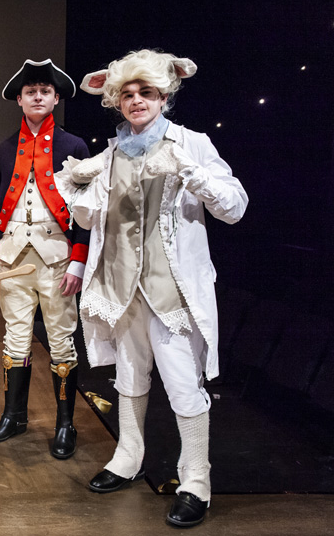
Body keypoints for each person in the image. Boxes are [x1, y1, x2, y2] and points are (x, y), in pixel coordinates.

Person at [60, 49, 248, 527]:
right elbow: (89, 220)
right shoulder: (112, 153)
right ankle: (128, 456)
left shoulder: (192, 142)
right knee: (129, 379)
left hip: (172, 292)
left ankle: (196, 479)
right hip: (122, 290)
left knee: (185, 388)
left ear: (164, 95)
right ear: (116, 101)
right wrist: (80, 189)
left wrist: (191, 171)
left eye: (146, 92)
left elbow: (234, 206)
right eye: (127, 93)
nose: (136, 100)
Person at [0, 59, 90, 459]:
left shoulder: (74, 146)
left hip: (57, 259)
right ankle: (14, 416)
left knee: (60, 340)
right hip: (12, 259)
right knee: (15, 338)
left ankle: (64, 424)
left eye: (45, 91)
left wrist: (79, 259)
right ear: (20, 100)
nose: (37, 96)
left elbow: (87, 209)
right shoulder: (3, 150)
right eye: (30, 92)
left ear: (56, 98)